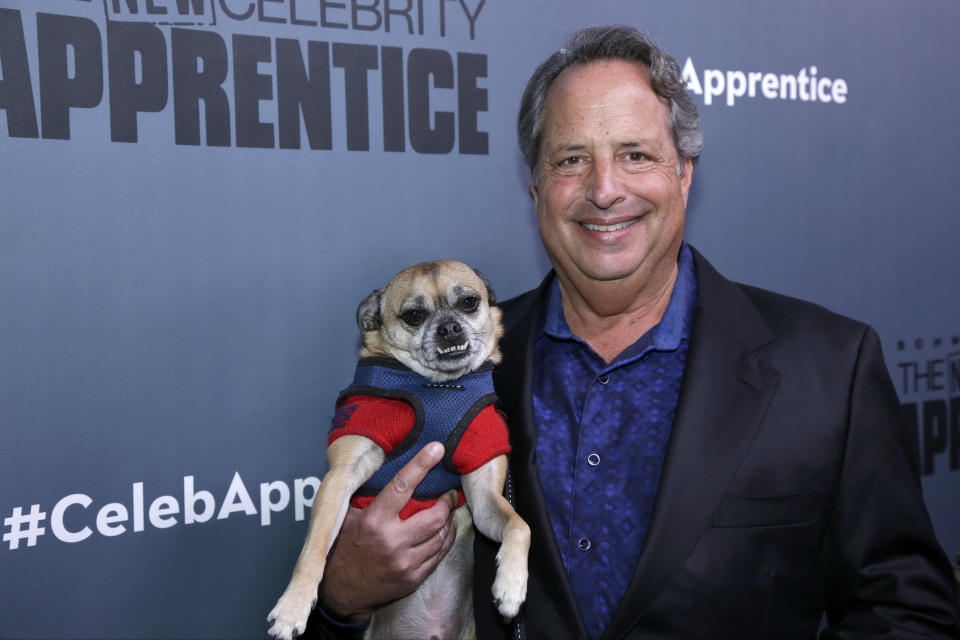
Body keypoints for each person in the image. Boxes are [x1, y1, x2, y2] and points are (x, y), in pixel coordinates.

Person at [307, 25, 960, 639]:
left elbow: (903, 609)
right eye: (570, 159)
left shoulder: (827, 369)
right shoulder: (455, 372)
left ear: (685, 173)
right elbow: (359, 596)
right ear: (535, 187)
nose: (605, 189)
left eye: (636, 154)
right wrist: (341, 594)